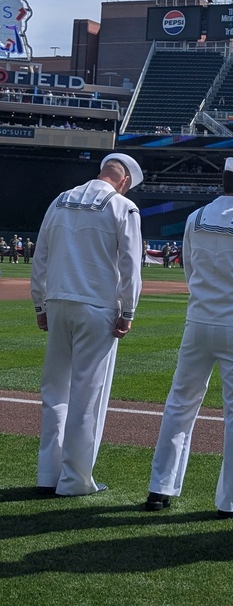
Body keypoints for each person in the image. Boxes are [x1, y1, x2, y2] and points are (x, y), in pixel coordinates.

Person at [146, 157, 233, 517]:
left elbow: (189, 268)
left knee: (179, 404)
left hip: (199, 321)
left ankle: (160, 488)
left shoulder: (195, 217)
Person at [31, 152, 144, 496]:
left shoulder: (61, 200)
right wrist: (128, 311)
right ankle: (75, 480)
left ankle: (47, 474)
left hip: (60, 301)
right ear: (125, 181)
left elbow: (41, 256)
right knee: (87, 397)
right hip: (96, 307)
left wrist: (40, 302)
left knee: (55, 392)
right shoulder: (122, 207)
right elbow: (130, 265)